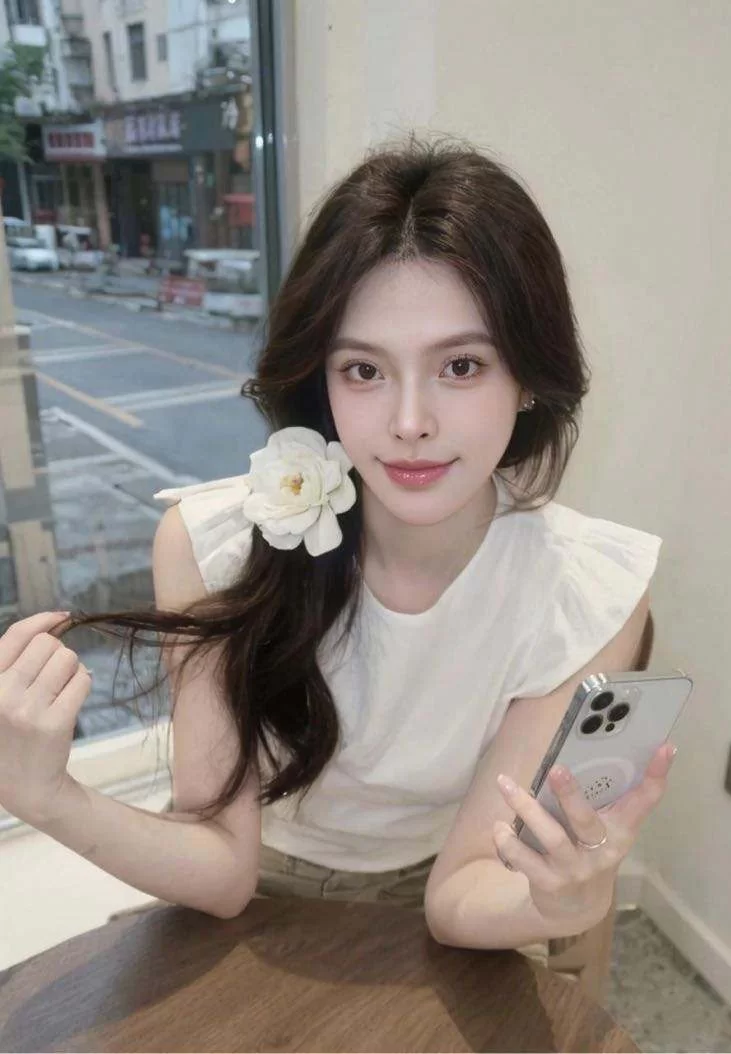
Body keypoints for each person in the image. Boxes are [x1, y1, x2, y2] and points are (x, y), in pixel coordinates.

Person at [0, 134, 675, 965]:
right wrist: (45, 794)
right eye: (363, 370)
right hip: (254, 895)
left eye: (462, 365)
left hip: (454, 893)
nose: (409, 422)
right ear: (319, 379)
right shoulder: (216, 548)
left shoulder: (582, 594)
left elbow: (458, 896)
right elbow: (221, 869)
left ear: (529, 376)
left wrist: (564, 895)